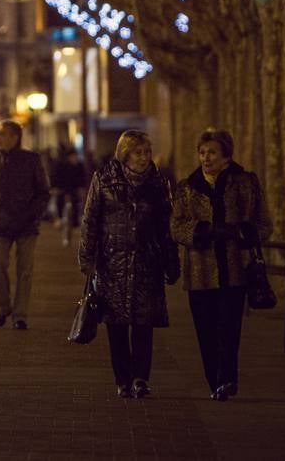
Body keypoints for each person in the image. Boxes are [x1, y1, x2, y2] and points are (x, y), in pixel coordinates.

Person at [170, 128, 272, 401]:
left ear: (226, 155)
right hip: (200, 273)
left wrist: (243, 233)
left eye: (212, 152)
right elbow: (176, 227)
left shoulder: (246, 183)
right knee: (205, 332)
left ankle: (227, 379)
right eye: (202, 153)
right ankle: (213, 380)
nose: (206, 158)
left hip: (234, 271)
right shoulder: (187, 187)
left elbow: (264, 225)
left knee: (229, 329)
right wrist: (200, 232)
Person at [78, 129, 177, 398]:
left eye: (146, 152)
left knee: (144, 324)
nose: (144, 158)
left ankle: (141, 379)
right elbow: (91, 221)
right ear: (125, 154)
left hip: (147, 262)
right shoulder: (104, 180)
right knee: (117, 325)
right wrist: (87, 258)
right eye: (138, 153)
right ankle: (122, 378)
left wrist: (171, 260)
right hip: (113, 264)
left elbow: (167, 226)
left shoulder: (158, 183)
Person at [0, 120, 52, 330]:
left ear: (15, 138)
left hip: (27, 223)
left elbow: (43, 191)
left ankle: (20, 314)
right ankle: (3, 307)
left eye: (3, 134)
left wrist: (35, 214)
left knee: (25, 269)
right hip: (0, 222)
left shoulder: (31, 160)